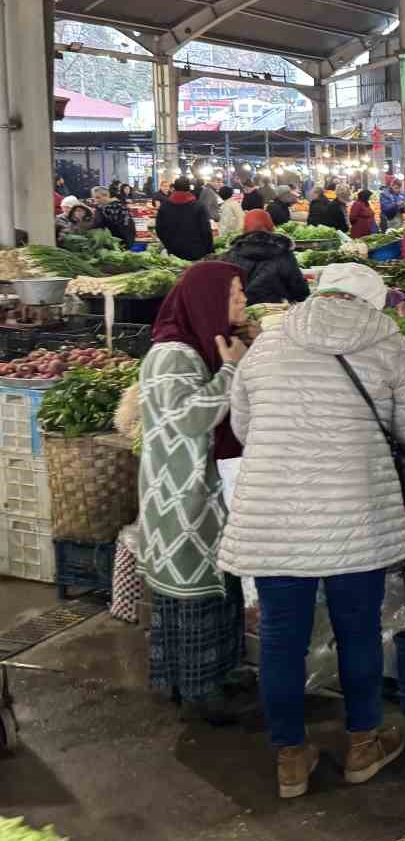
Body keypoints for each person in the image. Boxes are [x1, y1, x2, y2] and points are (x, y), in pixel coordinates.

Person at [220, 264, 405, 800]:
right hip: (352, 511)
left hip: (276, 517)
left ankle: (290, 760)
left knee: (281, 640)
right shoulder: (384, 340)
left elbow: (243, 427)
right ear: (371, 301)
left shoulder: (268, 343)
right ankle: (363, 746)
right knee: (357, 631)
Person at [137, 261, 250, 725]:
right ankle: (196, 690)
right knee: (192, 598)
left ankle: (214, 675)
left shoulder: (202, 344)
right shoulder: (172, 355)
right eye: (236, 293)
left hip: (202, 491)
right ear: (208, 299)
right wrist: (229, 371)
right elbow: (189, 419)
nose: (243, 300)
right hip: (180, 499)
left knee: (216, 588)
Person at [221, 210, 311, 305]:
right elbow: (300, 291)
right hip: (277, 311)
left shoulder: (231, 255)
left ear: (244, 228)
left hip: (243, 311)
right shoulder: (283, 253)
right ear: (271, 226)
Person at [155, 177, 216, 261]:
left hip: (173, 252)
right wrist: (209, 249)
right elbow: (206, 230)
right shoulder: (198, 206)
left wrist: (167, 244)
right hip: (195, 251)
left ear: (174, 188)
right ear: (189, 188)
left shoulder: (165, 206)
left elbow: (159, 229)